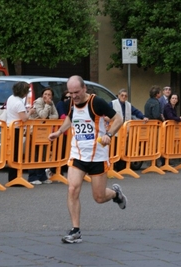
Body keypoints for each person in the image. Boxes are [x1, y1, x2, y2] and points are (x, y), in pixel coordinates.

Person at [48, 75, 126, 244]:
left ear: (84, 89)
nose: (74, 96)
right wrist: (59, 132)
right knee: (72, 189)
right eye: (70, 93)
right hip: (77, 155)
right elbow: (70, 118)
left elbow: (118, 119)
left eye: (76, 92)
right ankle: (75, 231)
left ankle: (115, 194)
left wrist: (109, 135)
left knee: (98, 197)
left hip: (98, 156)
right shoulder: (70, 103)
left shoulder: (96, 103)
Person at [27, 87, 59, 185]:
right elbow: (43, 115)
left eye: (49, 95)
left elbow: (56, 116)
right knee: (34, 153)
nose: (47, 96)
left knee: (43, 153)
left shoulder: (51, 103)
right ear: (42, 95)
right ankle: (32, 177)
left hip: (45, 131)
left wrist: (49, 116)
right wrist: (48, 107)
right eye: (45, 94)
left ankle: (42, 176)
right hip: (34, 131)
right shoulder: (38, 102)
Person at [6, 82, 35, 182]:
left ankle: (12, 177)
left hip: (9, 126)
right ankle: (15, 178)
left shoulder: (10, 98)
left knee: (12, 153)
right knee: (16, 154)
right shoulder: (19, 103)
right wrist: (30, 112)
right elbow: (24, 118)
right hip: (16, 129)